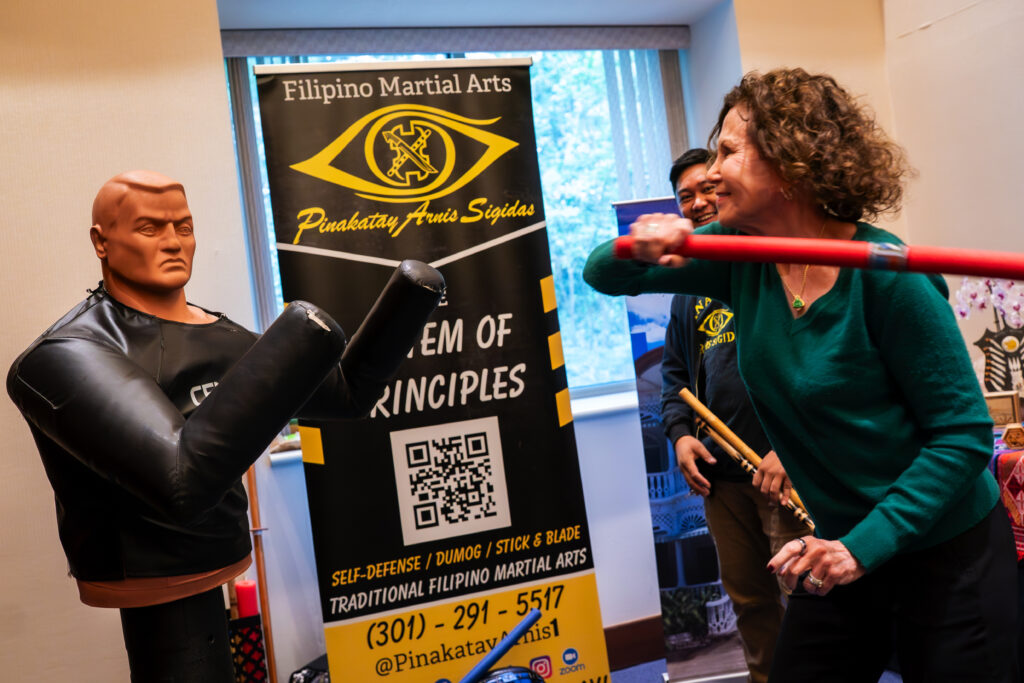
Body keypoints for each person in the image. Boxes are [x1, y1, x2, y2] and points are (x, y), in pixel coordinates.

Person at [584, 69, 1018, 682]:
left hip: (944, 556)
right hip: (841, 547)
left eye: (728, 153)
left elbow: (964, 435)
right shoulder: (743, 261)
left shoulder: (889, 280)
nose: (709, 174)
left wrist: (860, 547)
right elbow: (604, 274)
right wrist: (649, 240)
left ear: (789, 166)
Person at [7, 171, 444, 682]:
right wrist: (299, 337)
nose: (174, 242)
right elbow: (182, 481)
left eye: (184, 226)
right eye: (151, 228)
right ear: (101, 242)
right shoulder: (68, 354)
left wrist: (410, 302)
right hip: (142, 570)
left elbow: (345, 392)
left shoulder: (215, 332)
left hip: (218, 552)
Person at [661, 148, 805, 683]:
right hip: (721, 480)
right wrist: (679, 435)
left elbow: (814, 372)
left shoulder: (775, 261)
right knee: (750, 604)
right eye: (685, 197)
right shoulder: (692, 285)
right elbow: (674, 375)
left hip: (785, 472)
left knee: (806, 602)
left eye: (707, 188)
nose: (699, 203)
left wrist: (789, 450)